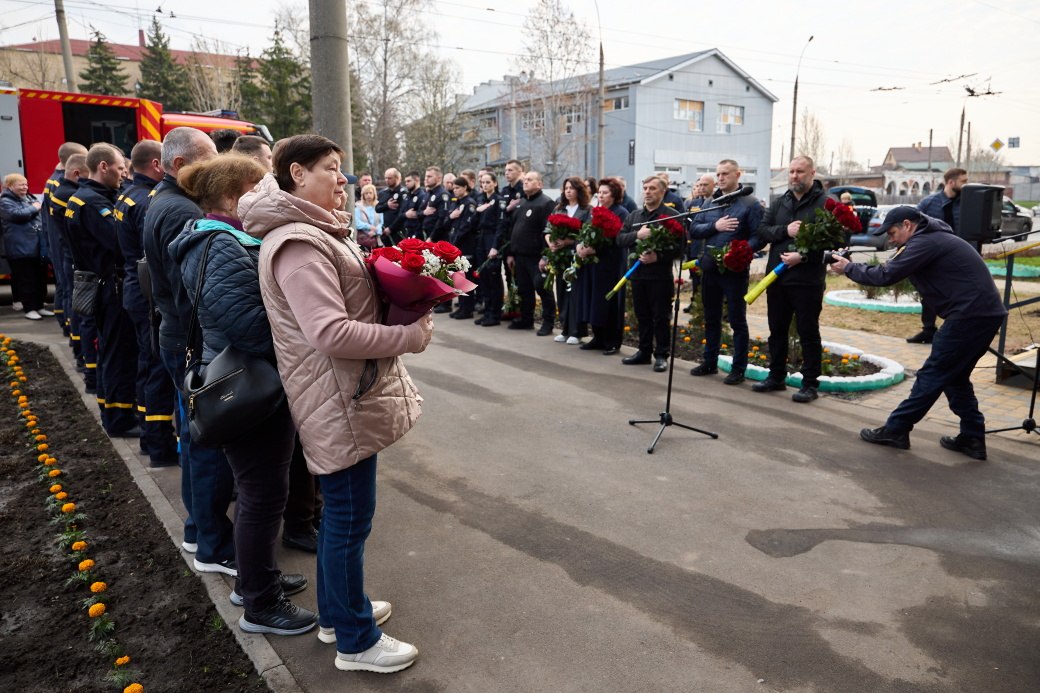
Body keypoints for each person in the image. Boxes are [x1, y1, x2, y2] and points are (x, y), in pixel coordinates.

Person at [240, 133, 432, 674]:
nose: (341, 178)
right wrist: (407, 338)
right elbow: (329, 332)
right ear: (296, 174)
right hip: (336, 396)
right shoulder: (299, 244)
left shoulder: (313, 232)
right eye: (330, 167)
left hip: (344, 392)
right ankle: (355, 641)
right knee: (348, 518)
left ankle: (337, 612)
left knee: (345, 518)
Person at [169, 153, 312, 635]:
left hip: (255, 383)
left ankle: (257, 580)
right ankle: (260, 604)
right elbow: (249, 328)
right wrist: (306, 327)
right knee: (262, 495)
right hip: (249, 388)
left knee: (263, 492)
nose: (269, 197)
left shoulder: (226, 240)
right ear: (234, 197)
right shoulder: (220, 244)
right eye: (260, 189)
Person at [830, 206, 1006, 460]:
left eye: (892, 233)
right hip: (981, 314)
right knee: (955, 377)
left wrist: (848, 268)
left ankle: (896, 429)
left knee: (932, 374)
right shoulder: (931, 238)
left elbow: (886, 274)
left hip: (969, 316)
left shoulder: (925, 242)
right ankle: (972, 437)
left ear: (907, 225)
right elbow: (893, 265)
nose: (890, 239)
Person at [143, 127, 236, 575]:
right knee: (207, 445)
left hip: (179, 337)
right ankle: (214, 546)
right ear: (179, 165)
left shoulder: (167, 200)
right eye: (207, 161)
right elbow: (195, 290)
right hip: (192, 343)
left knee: (195, 438)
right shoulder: (180, 209)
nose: (215, 169)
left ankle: (200, 530)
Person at [66, 144, 141, 437]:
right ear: (103, 167)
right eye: (120, 168)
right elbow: (119, 242)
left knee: (114, 351)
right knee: (117, 353)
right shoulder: (91, 203)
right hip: (109, 287)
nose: (124, 174)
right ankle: (118, 419)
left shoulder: (92, 197)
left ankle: (116, 411)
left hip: (106, 285)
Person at [113, 140, 178, 468]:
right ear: (157, 164)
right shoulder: (147, 200)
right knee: (157, 371)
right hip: (146, 294)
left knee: (146, 365)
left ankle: (148, 437)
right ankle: (159, 445)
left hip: (135, 291)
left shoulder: (128, 195)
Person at [753, 156, 828, 403]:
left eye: (800, 172)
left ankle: (810, 384)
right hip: (777, 277)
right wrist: (785, 231)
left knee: (808, 332)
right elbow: (763, 232)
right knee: (777, 330)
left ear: (812, 173)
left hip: (807, 280)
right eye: (792, 172)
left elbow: (836, 243)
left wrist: (803, 256)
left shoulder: (826, 203)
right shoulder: (779, 202)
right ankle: (776, 377)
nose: (795, 176)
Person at [688, 159, 763, 385]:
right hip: (710, 268)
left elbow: (759, 237)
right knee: (711, 319)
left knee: (737, 320)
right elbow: (694, 229)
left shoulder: (750, 203)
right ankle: (709, 361)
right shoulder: (710, 202)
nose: (720, 178)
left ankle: (738, 368)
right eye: (718, 174)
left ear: (738, 175)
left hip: (734, 271)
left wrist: (740, 251)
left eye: (725, 174)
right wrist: (715, 226)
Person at [909, 167, 968, 344]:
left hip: (958, 257)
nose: (966, 185)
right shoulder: (929, 203)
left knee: (960, 294)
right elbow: (913, 224)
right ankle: (928, 330)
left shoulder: (967, 203)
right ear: (951, 182)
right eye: (963, 181)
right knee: (929, 294)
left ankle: (957, 331)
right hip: (933, 258)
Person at [573, 177, 627, 354]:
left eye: (605, 193)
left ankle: (612, 341)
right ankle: (598, 336)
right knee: (593, 300)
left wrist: (595, 249)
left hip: (610, 264)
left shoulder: (621, 212)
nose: (601, 196)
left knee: (608, 302)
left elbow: (618, 239)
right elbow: (585, 231)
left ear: (614, 194)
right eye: (600, 193)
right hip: (593, 265)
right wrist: (580, 245)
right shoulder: (595, 211)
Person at [49, 152, 90, 377]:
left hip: (68, 257)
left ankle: (80, 352)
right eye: (87, 174)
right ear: (76, 173)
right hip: (74, 260)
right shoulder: (69, 195)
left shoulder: (64, 192)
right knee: (80, 312)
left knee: (75, 307)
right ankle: (81, 356)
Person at [40, 142, 87, 330]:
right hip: (62, 242)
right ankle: (69, 327)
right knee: (69, 288)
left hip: (56, 240)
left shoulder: (53, 181)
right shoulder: (61, 185)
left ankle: (65, 321)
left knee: (64, 285)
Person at [506, 171, 557, 335]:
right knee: (524, 289)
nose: (525, 182)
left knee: (542, 289)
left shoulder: (546, 203)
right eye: (524, 180)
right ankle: (526, 319)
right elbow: (513, 229)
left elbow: (548, 231)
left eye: (529, 180)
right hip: (520, 255)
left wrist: (545, 256)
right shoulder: (521, 203)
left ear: (539, 184)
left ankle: (548, 323)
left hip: (537, 256)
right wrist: (511, 253)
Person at [548, 176, 591, 344]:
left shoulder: (587, 209)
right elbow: (548, 229)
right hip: (560, 256)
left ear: (579, 190)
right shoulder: (559, 208)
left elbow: (586, 233)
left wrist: (569, 242)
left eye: (572, 188)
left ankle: (577, 331)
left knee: (576, 294)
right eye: (566, 188)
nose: (568, 191)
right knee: (562, 292)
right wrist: (551, 243)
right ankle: (565, 328)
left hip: (576, 256)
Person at [1, 173, 50, 320]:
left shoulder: (29, 198)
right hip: (20, 248)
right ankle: (29, 308)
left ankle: (39, 306)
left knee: (40, 277)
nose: (25, 187)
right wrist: (35, 208)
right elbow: (17, 215)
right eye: (21, 184)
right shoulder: (4, 201)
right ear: (9, 186)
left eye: (26, 184)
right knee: (26, 279)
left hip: (36, 246)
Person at [445, 175, 479, 318]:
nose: (455, 191)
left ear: (465, 187)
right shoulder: (456, 202)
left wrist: (455, 242)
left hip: (465, 245)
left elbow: (466, 226)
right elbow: (447, 220)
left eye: (458, 188)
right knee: (458, 277)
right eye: (454, 189)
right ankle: (461, 306)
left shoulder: (469, 204)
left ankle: (468, 309)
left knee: (466, 277)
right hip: (456, 244)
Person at [473, 170, 504, 326]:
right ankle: (487, 311)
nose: (485, 185)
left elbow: (501, 225)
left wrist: (495, 246)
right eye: (483, 183)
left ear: (495, 183)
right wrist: (477, 212)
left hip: (492, 239)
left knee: (493, 277)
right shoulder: (480, 200)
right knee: (483, 277)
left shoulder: (498, 201)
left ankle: (495, 314)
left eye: (488, 182)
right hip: (481, 238)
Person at [375, 167, 407, 243]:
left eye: (389, 178)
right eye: (385, 178)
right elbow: (377, 208)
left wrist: (391, 228)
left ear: (397, 178)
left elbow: (402, 214)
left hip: (399, 231)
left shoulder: (403, 193)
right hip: (386, 231)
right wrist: (387, 205)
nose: (387, 180)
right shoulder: (383, 193)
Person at [400, 170, 427, 239]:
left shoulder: (422, 196)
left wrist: (417, 214)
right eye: (405, 181)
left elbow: (422, 217)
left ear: (417, 180)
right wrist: (406, 214)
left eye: (409, 181)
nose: (406, 183)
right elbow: (401, 213)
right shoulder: (407, 196)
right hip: (407, 232)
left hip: (417, 234)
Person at [354, 184, 383, 248]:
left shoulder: (379, 206)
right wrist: (369, 227)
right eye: (366, 193)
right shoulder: (358, 207)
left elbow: (381, 223)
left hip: (377, 238)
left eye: (370, 193)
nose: (368, 195)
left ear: (374, 194)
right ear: (363, 195)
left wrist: (375, 231)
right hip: (363, 238)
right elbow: (357, 223)